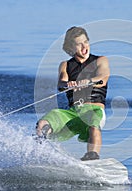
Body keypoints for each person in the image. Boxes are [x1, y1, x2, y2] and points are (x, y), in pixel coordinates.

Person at [36, 26, 110, 161]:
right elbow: (61, 83)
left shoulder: (101, 60)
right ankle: (38, 152)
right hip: (73, 112)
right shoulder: (65, 65)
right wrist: (67, 84)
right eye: (79, 44)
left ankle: (92, 157)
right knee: (43, 123)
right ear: (71, 47)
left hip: (94, 109)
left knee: (93, 126)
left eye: (86, 42)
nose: (84, 47)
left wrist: (85, 81)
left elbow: (102, 78)